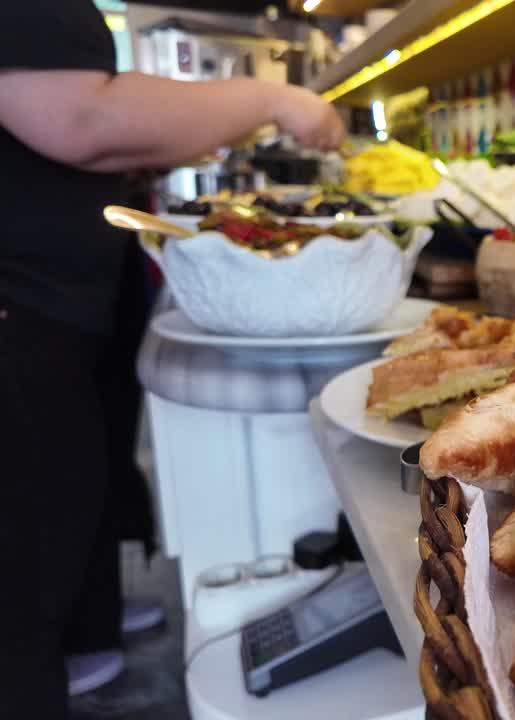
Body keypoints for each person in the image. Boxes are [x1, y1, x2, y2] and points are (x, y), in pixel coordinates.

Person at [0, 4, 345, 718]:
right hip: (20, 306)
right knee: (25, 539)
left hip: (56, 299)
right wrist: (273, 98)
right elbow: (82, 120)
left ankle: (79, 629)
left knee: (69, 487)